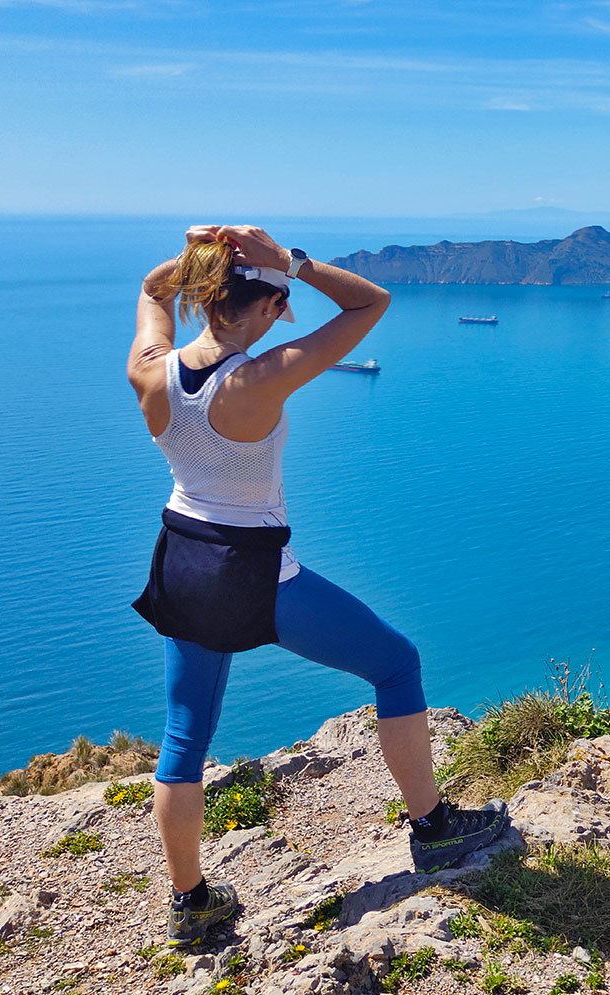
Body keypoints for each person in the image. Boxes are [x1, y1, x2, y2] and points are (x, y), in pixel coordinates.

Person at [126, 225, 509, 947]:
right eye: (279, 305)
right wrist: (288, 261)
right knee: (396, 665)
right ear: (269, 309)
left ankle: (192, 902)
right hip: (254, 570)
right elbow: (370, 304)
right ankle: (433, 830)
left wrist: (205, 255)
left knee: (184, 737)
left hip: (179, 558)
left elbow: (153, 290)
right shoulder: (260, 379)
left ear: (202, 297)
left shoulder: (151, 369)